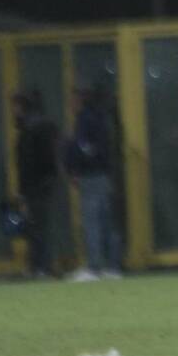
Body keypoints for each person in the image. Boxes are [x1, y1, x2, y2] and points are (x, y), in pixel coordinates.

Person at [64, 85, 123, 281]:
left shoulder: (85, 120)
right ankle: (113, 267)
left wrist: (75, 167)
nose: (70, 104)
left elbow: (83, 147)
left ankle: (94, 267)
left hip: (91, 176)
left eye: (73, 100)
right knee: (106, 221)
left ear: (80, 100)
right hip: (103, 175)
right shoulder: (102, 118)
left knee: (92, 221)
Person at [12, 90, 60, 278]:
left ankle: (41, 266)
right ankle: (41, 266)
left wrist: (23, 189)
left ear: (23, 106)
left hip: (36, 186)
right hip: (42, 184)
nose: (13, 111)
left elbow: (28, 163)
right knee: (39, 226)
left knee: (36, 227)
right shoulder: (42, 126)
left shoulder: (30, 129)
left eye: (15, 106)